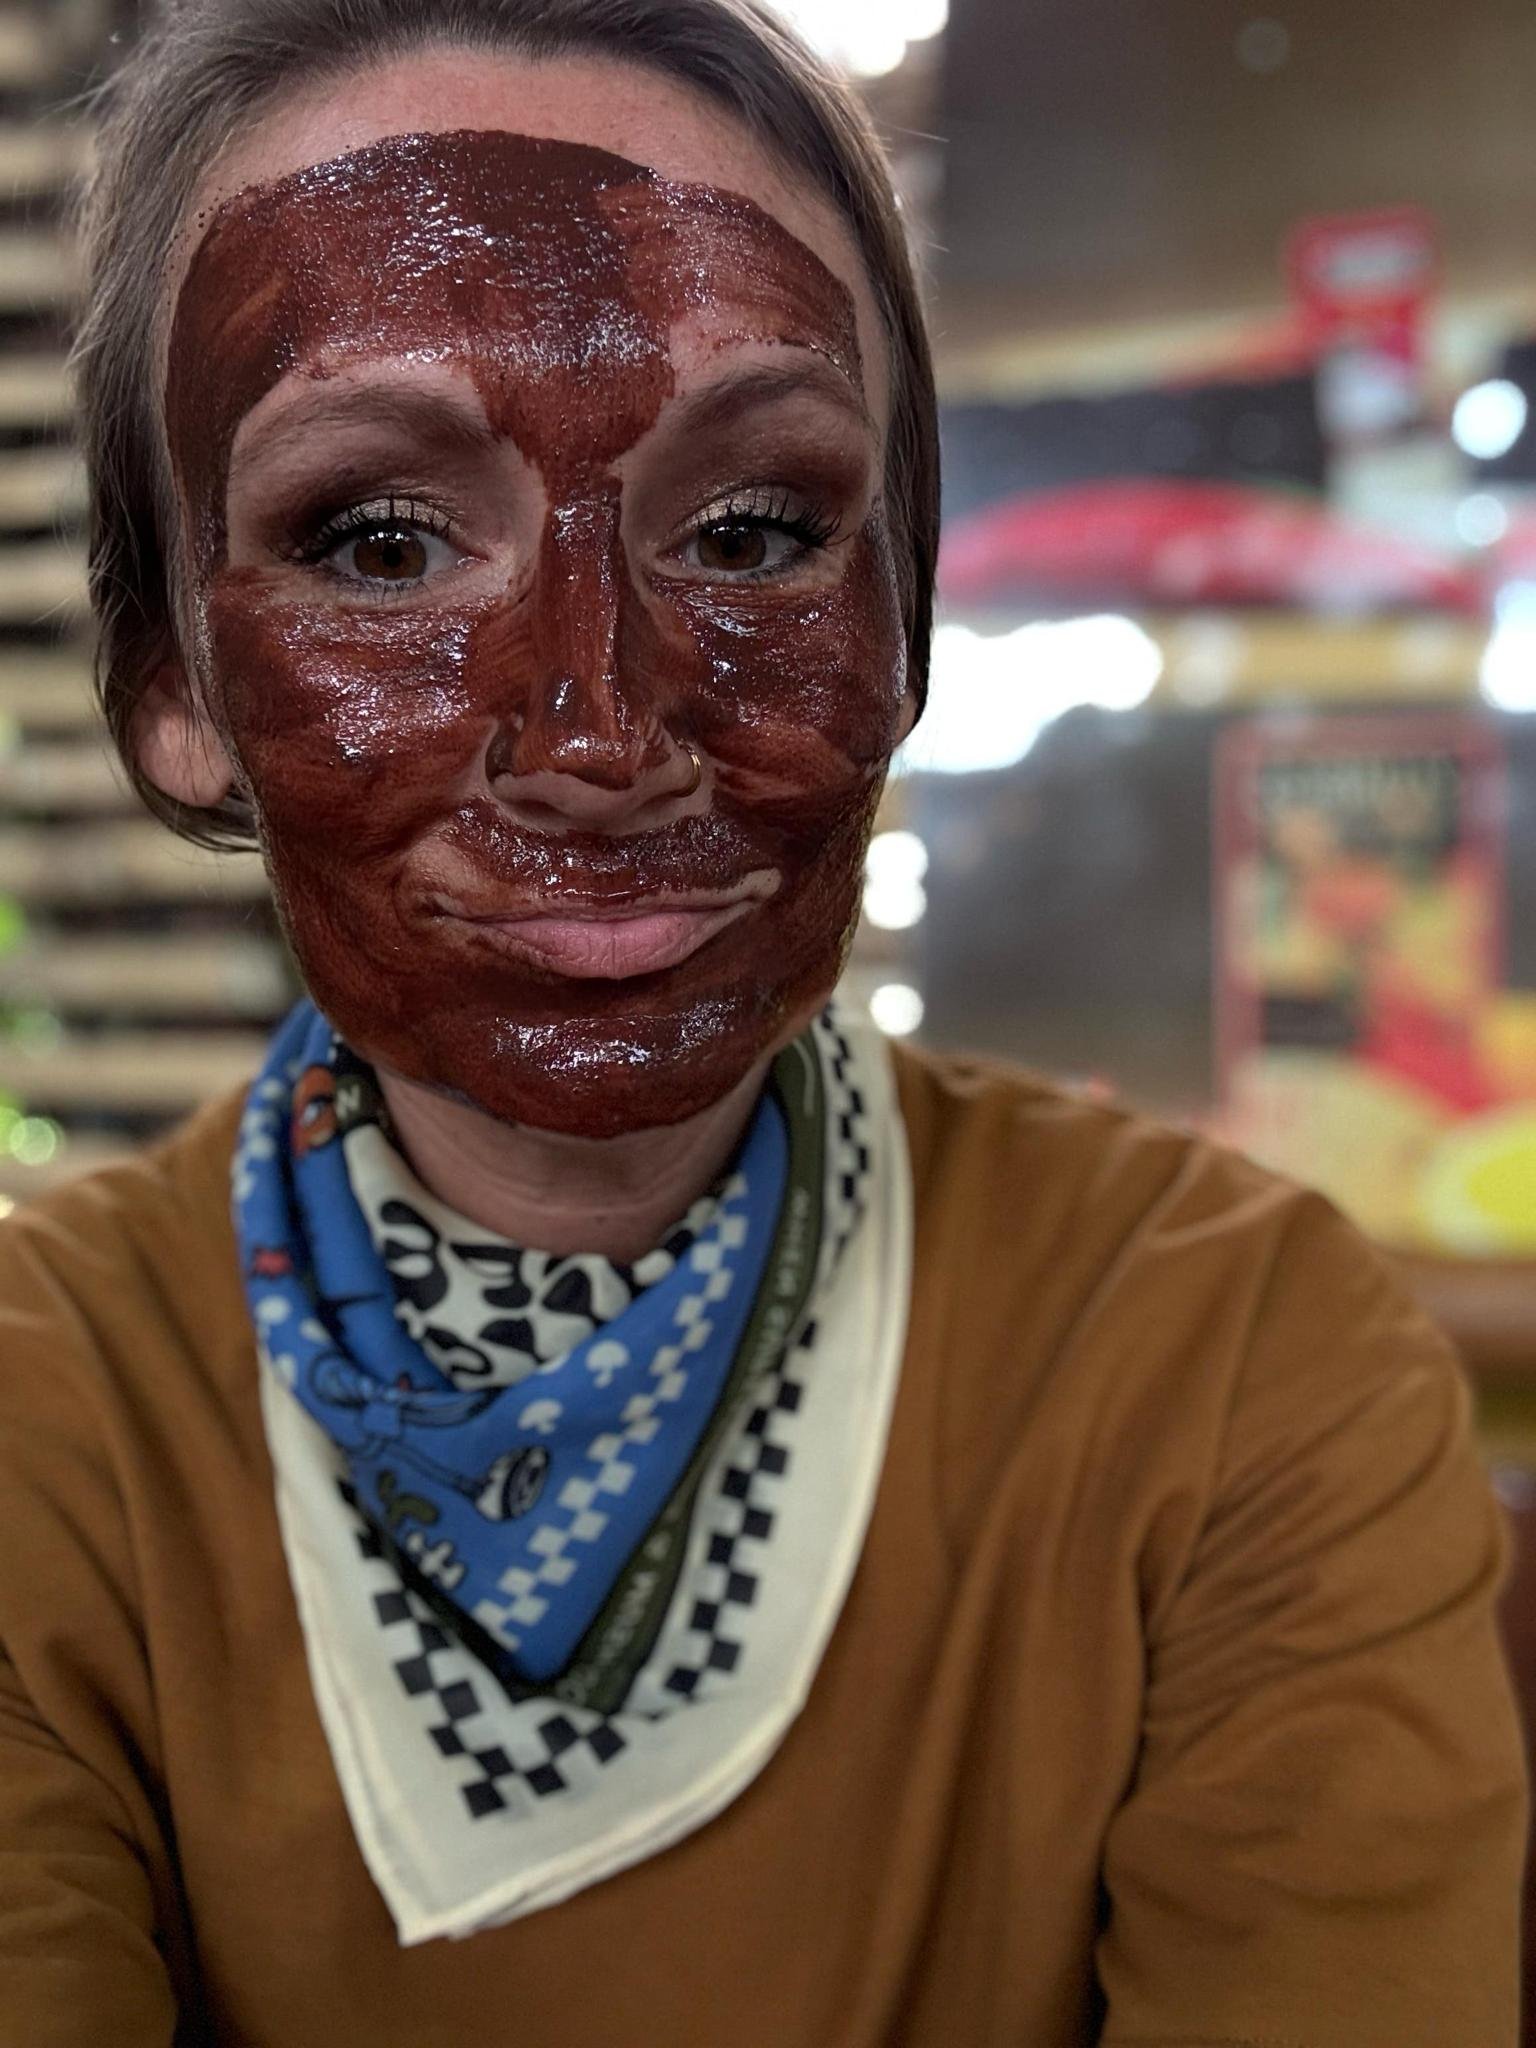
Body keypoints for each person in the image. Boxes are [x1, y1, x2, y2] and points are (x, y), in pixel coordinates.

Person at [0, 1, 1525, 2042]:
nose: (603, 731)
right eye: (378, 540)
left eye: (755, 531)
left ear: (902, 621)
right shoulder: (48, 1434)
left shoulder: (1230, 1365)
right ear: (170, 689)